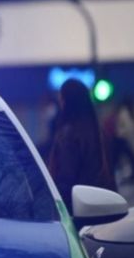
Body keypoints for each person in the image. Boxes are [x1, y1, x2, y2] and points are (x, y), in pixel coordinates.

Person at [46, 78, 117, 213]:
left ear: (66, 102)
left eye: (61, 99)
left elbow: (65, 179)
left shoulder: (68, 134)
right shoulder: (100, 133)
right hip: (104, 207)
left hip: (77, 212)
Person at [101, 98, 134, 186]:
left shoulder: (119, 111)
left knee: (115, 160)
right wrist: (123, 132)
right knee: (131, 158)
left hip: (117, 138)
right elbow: (126, 126)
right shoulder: (125, 112)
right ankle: (132, 178)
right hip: (120, 138)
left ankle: (111, 178)